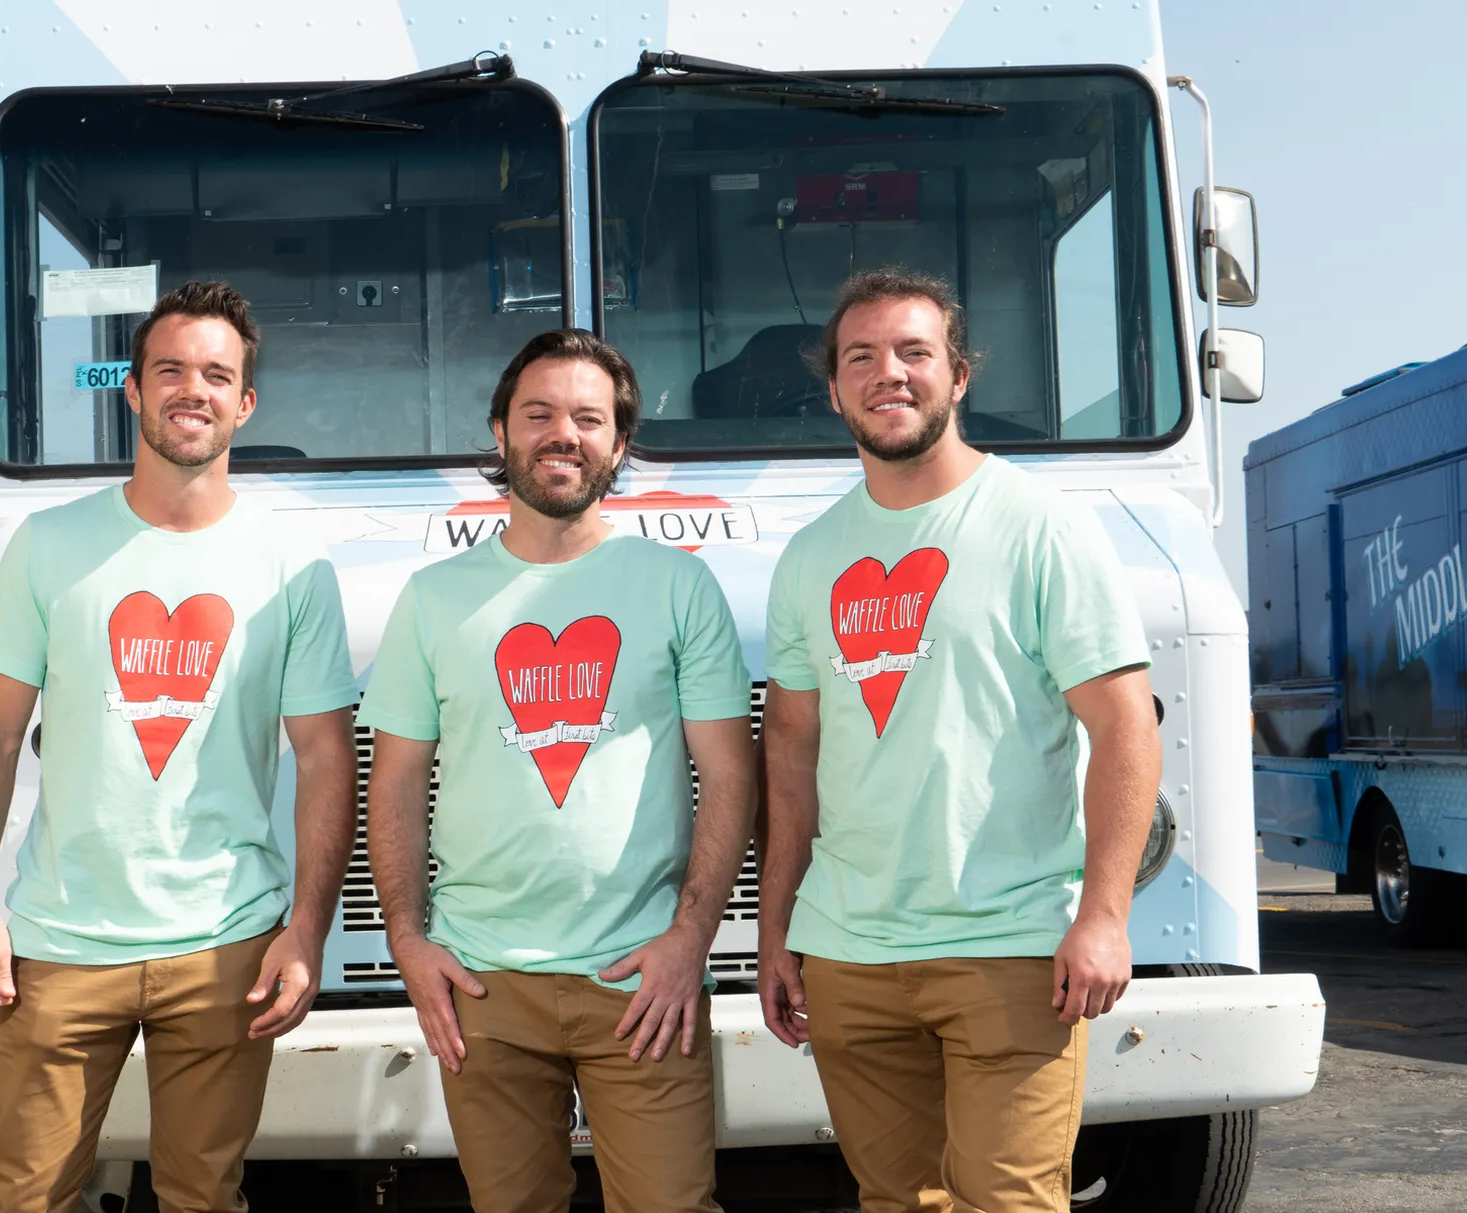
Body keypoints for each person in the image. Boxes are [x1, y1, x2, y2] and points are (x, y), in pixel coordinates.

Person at [0, 280, 359, 1213]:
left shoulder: (295, 564)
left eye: (217, 374)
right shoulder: (47, 545)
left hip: (226, 943)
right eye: (169, 369)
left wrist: (307, 926)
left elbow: (328, 758)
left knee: (204, 1198)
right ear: (132, 392)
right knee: (23, 1198)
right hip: (59, 940)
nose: (192, 389)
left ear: (244, 403)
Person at [757, 268, 1162, 1213]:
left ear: (960, 375)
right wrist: (779, 930)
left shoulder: (1042, 528)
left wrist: (1103, 914)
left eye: (913, 352)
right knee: (896, 1201)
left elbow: (1124, 728)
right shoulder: (810, 553)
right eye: (861, 357)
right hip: (849, 953)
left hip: (1011, 942)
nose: (887, 374)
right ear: (833, 388)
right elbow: (791, 754)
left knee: (1010, 1199)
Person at [360, 329, 756, 1213]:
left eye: (588, 417)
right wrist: (408, 942)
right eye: (539, 414)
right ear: (500, 431)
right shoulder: (433, 599)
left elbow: (730, 774)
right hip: (482, 982)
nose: (563, 434)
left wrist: (691, 940)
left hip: (641, 980)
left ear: (620, 443)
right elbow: (393, 784)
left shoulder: (679, 587)